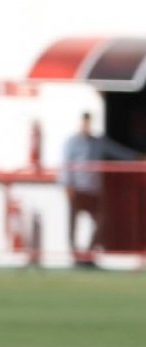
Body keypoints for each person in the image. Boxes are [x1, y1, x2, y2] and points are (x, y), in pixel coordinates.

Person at [59, 111, 141, 267]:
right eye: (84, 122)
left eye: (88, 122)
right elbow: (66, 165)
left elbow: (118, 151)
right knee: (72, 224)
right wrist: (67, 186)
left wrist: (138, 158)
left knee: (101, 221)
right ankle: (75, 256)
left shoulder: (98, 142)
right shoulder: (72, 142)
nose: (86, 126)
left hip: (93, 190)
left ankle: (88, 254)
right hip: (77, 190)